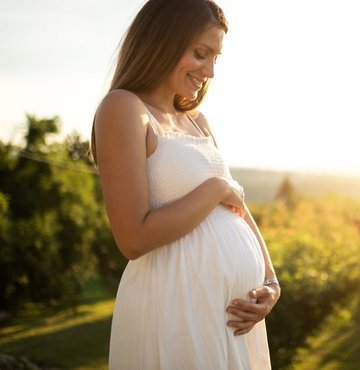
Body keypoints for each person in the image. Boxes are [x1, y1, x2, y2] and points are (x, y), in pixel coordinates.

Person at [91, 0, 281, 368]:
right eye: (200, 53)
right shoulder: (124, 108)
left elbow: (236, 205)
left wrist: (271, 282)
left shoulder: (198, 121)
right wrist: (214, 190)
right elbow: (132, 238)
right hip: (175, 310)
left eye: (216, 57)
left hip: (233, 320)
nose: (210, 70)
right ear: (161, 41)